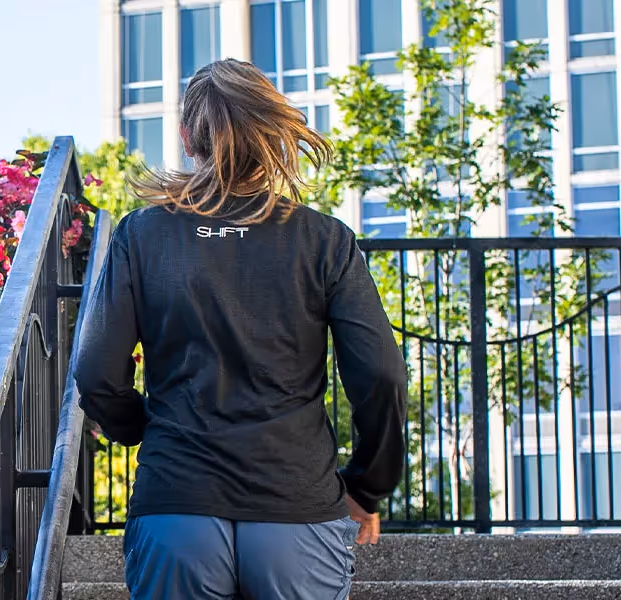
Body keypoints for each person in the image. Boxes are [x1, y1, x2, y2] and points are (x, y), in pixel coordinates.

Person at [70, 59, 407, 600]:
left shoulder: (142, 235)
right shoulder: (325, 240)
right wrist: (367, 486)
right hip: (295, 504)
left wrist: (140, 429)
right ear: (270, 133)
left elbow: (94, 371)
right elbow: (384, 376)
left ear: (186, 137)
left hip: (177, 500)